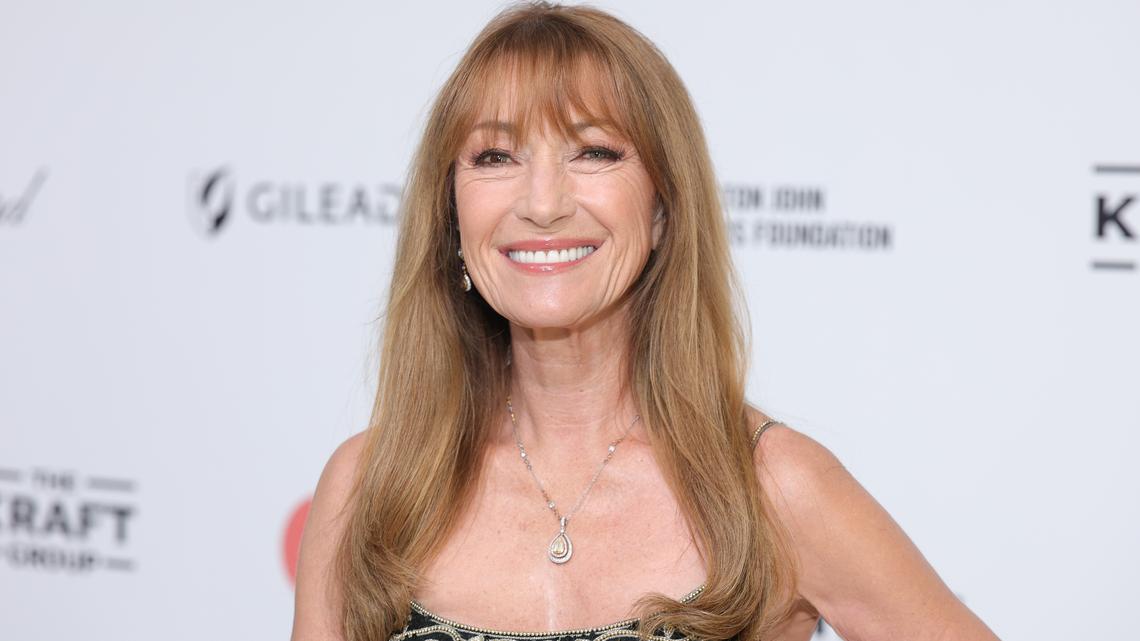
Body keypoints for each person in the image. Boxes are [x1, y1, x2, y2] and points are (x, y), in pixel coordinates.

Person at [291, 3, 1001, 641]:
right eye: (496, 155)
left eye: (594, 150)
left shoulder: (772, 489)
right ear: (450, 210)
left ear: (663, 206)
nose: (542, 202)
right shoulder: (368, 488)